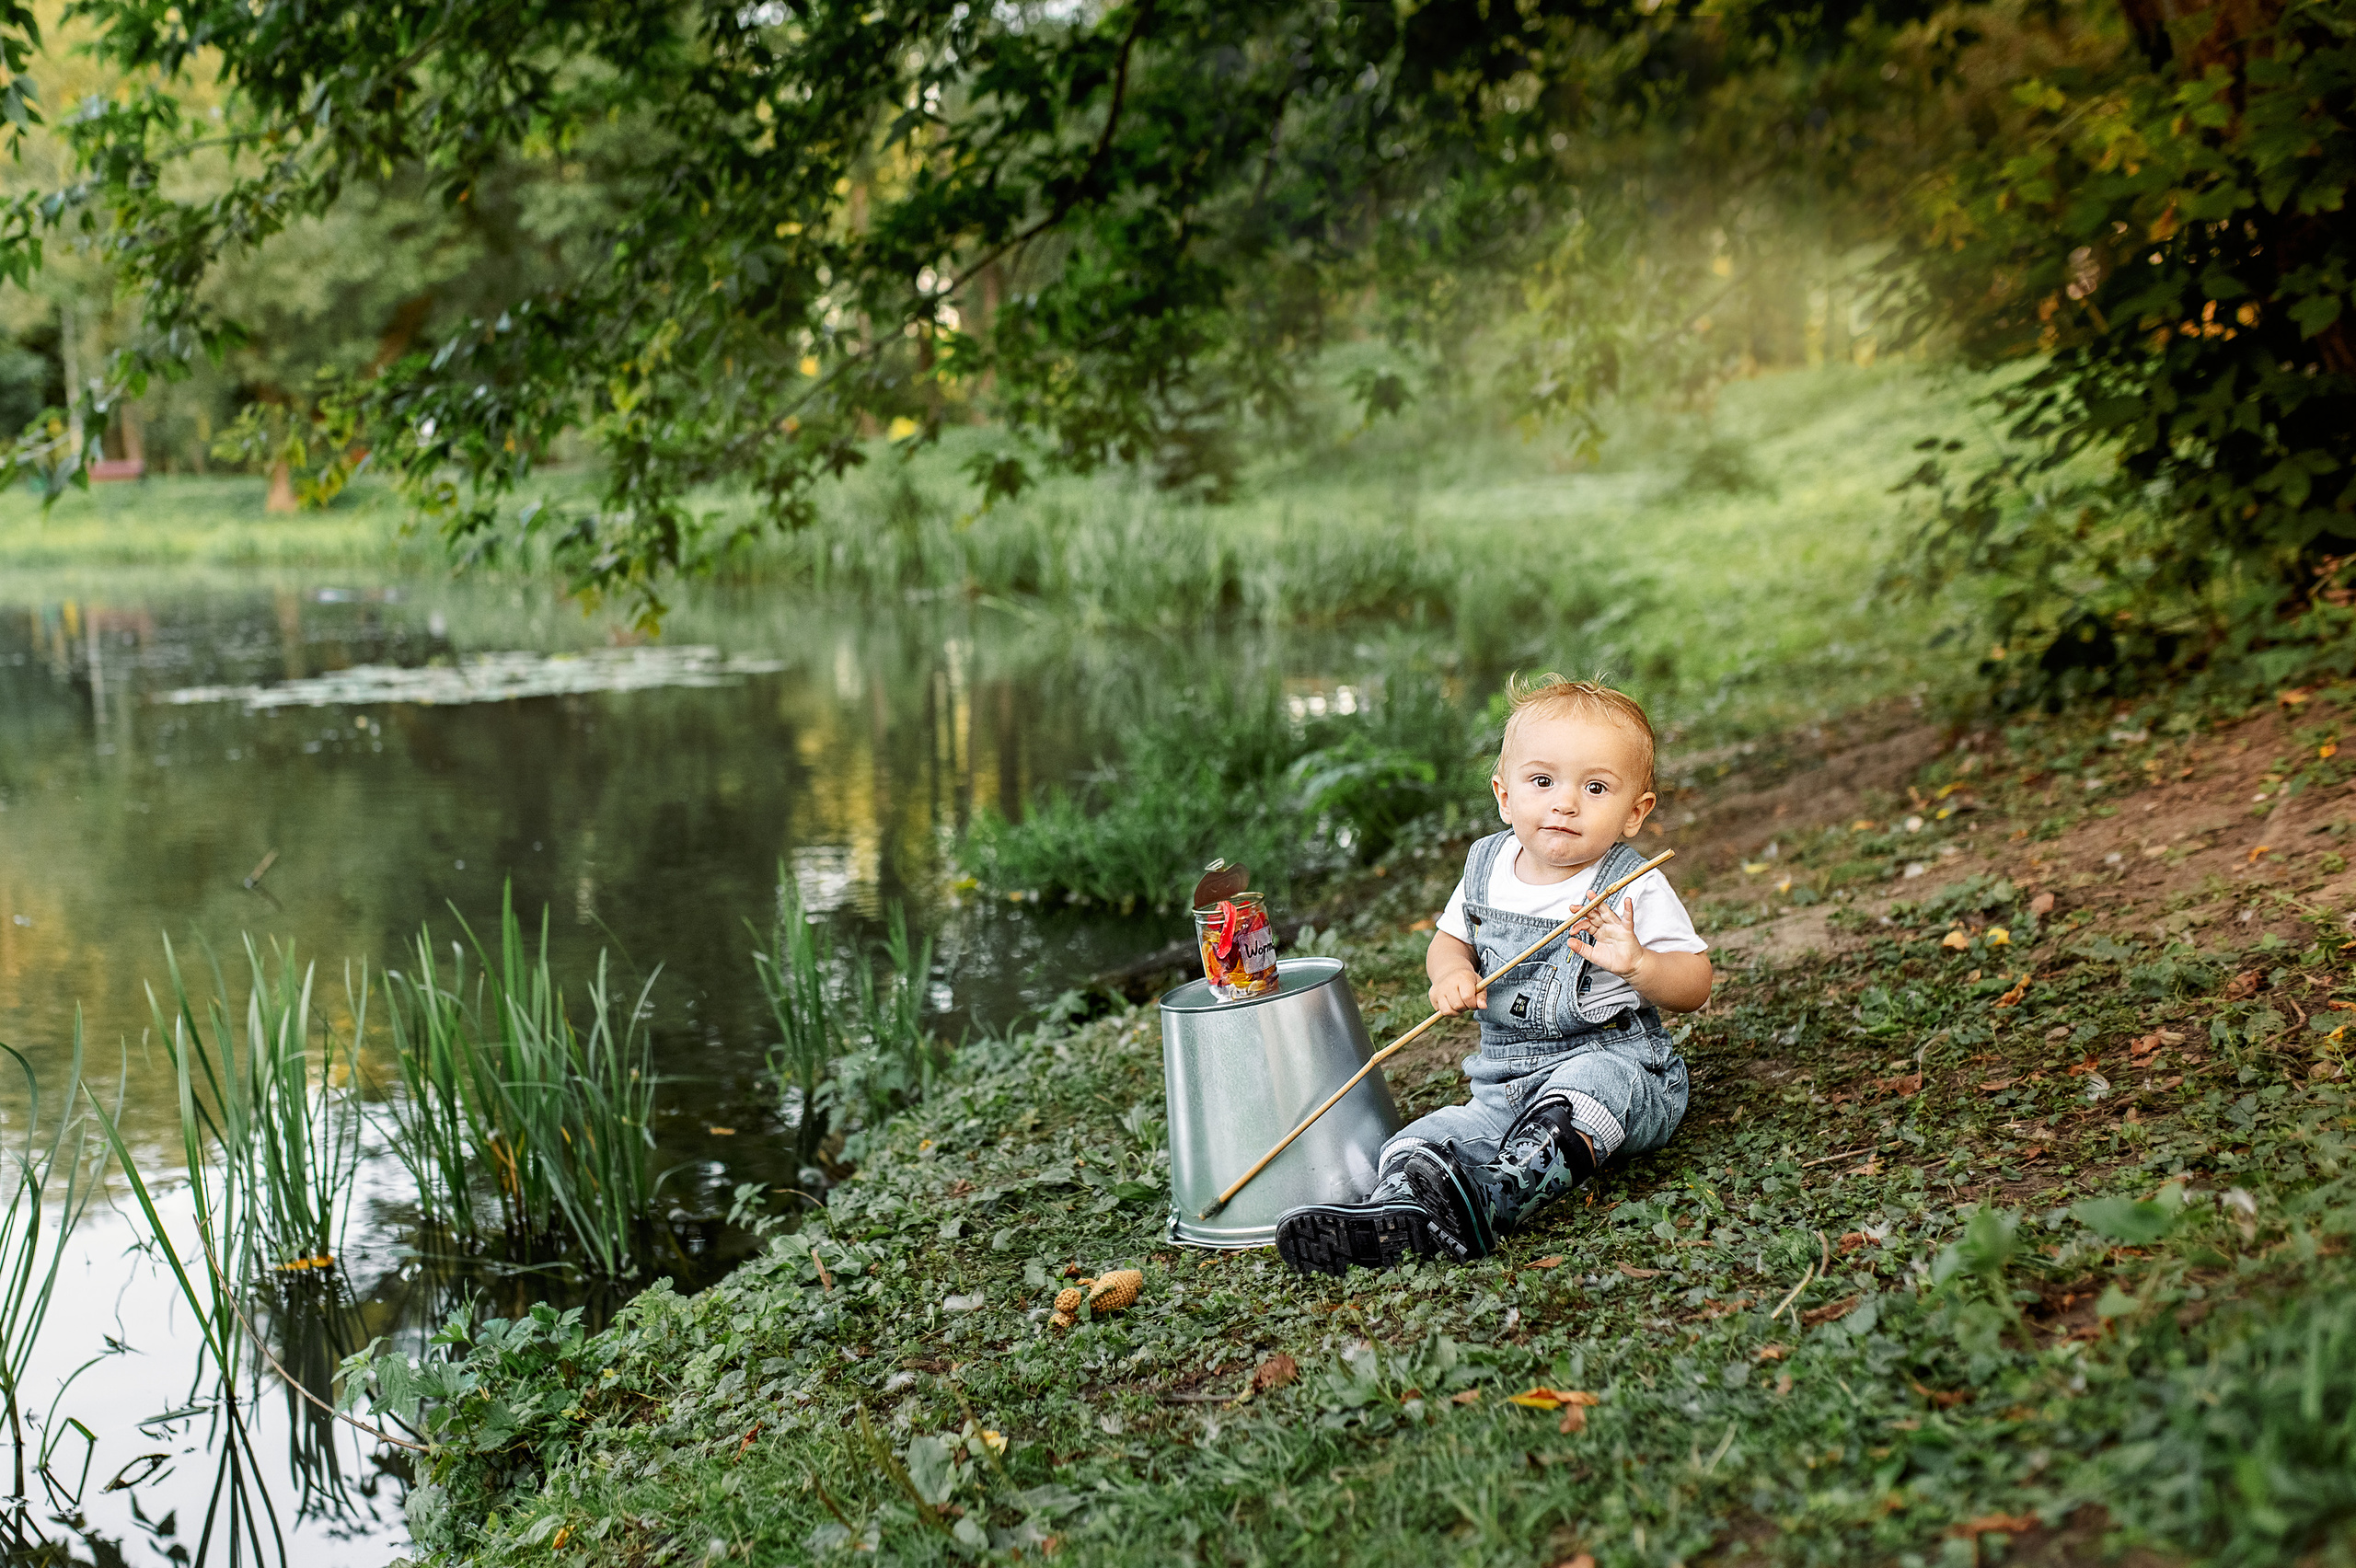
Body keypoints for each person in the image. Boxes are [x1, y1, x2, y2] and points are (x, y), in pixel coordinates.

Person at [1275, 675, 1712, 1274]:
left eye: (1595, 787)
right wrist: (1450, 972)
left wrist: (1640, 963)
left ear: (1635, 812)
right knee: (1421, 1139)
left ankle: (1498, 1196)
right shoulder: (1486, 866)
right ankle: (1397, 1212)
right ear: (1505, 796)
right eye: (1542, 781)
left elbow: (1696, 983)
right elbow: (1448, 942)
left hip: (1622, 1069)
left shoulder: (1628, 884)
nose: (1565, 802)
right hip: (1503, 1086)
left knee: (1592, 1083)